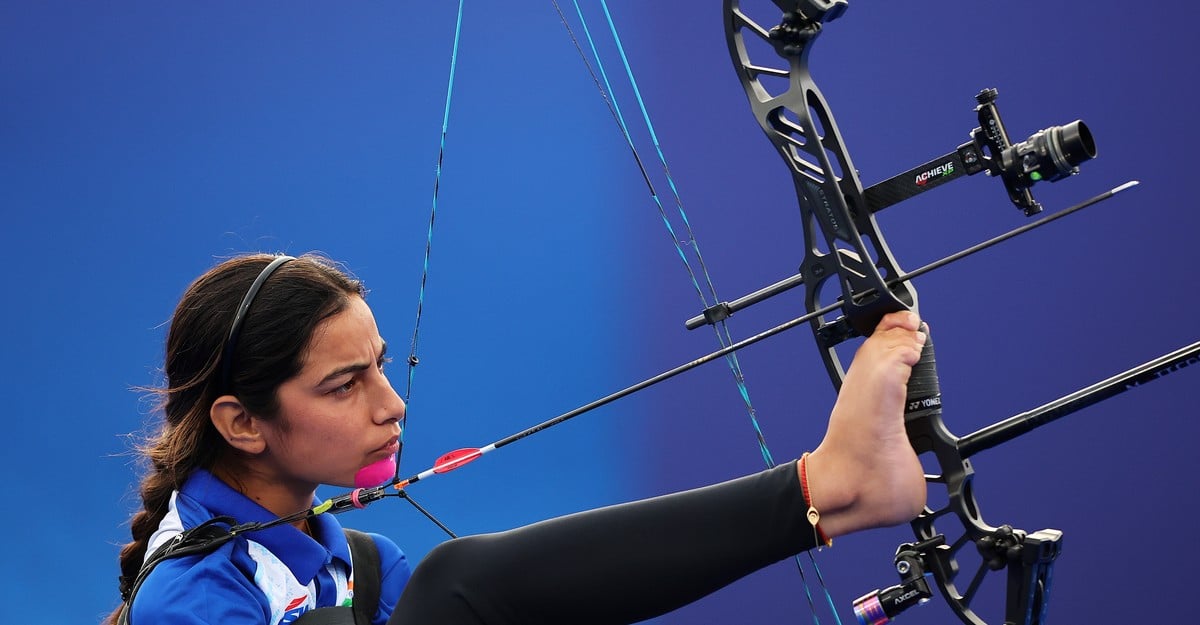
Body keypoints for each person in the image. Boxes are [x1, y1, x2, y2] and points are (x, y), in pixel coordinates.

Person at [107, 253, 928, 625]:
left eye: (381, 367)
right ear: (241, 422)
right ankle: (830, 483)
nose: (392, 405)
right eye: (344, 384)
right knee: (459, 583)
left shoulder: (364, 566)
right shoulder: (191, 597)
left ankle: (831, 491)